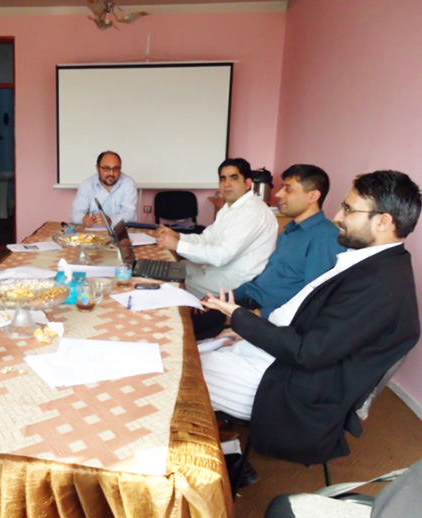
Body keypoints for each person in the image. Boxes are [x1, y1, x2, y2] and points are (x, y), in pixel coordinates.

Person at [202, 170, 421, 464]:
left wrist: (240, 317)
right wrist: (249, 330)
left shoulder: (379, 286)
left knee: (185, 373)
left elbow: (309, 352)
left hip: (300, 393)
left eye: (348, 209)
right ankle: (217, 444)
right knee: (197, 353)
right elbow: (312, 326)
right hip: (293, 363)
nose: (337, 217)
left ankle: (204, 462)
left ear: (383, 222)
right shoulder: (372, 264)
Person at [192, 164, 345, 339]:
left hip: (266, 317)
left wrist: (254, 317)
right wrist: (224, 298)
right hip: (248, 304)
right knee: (181, 315)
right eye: (281, 188)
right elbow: (263, 281)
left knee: (184, 333)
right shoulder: (290, 232)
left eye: (288, 189)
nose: (279, 194)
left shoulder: (324, 237)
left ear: (313, 196)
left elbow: (312, 300)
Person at [156, 158, 278, 298]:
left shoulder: (252, 213)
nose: (227, 184)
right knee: (168, 268)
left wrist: (178, 245)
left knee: (169, 285)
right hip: (217, 269)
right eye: (222, 179)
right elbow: (207, 238)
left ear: (247, 183)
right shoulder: (229, 207)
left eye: (234, 178)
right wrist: (178, 236)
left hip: (235, 281)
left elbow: (221, 256)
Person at [71, 151, 137, 227]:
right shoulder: (87, 185)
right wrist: (83, 218)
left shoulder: (128, 184)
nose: (111, 173)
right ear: (97, 168)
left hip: (120, 232)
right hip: (92, 234)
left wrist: (110, 219)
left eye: (116, 168)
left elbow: (130, 214)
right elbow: (75, 213)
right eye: (106, 168)